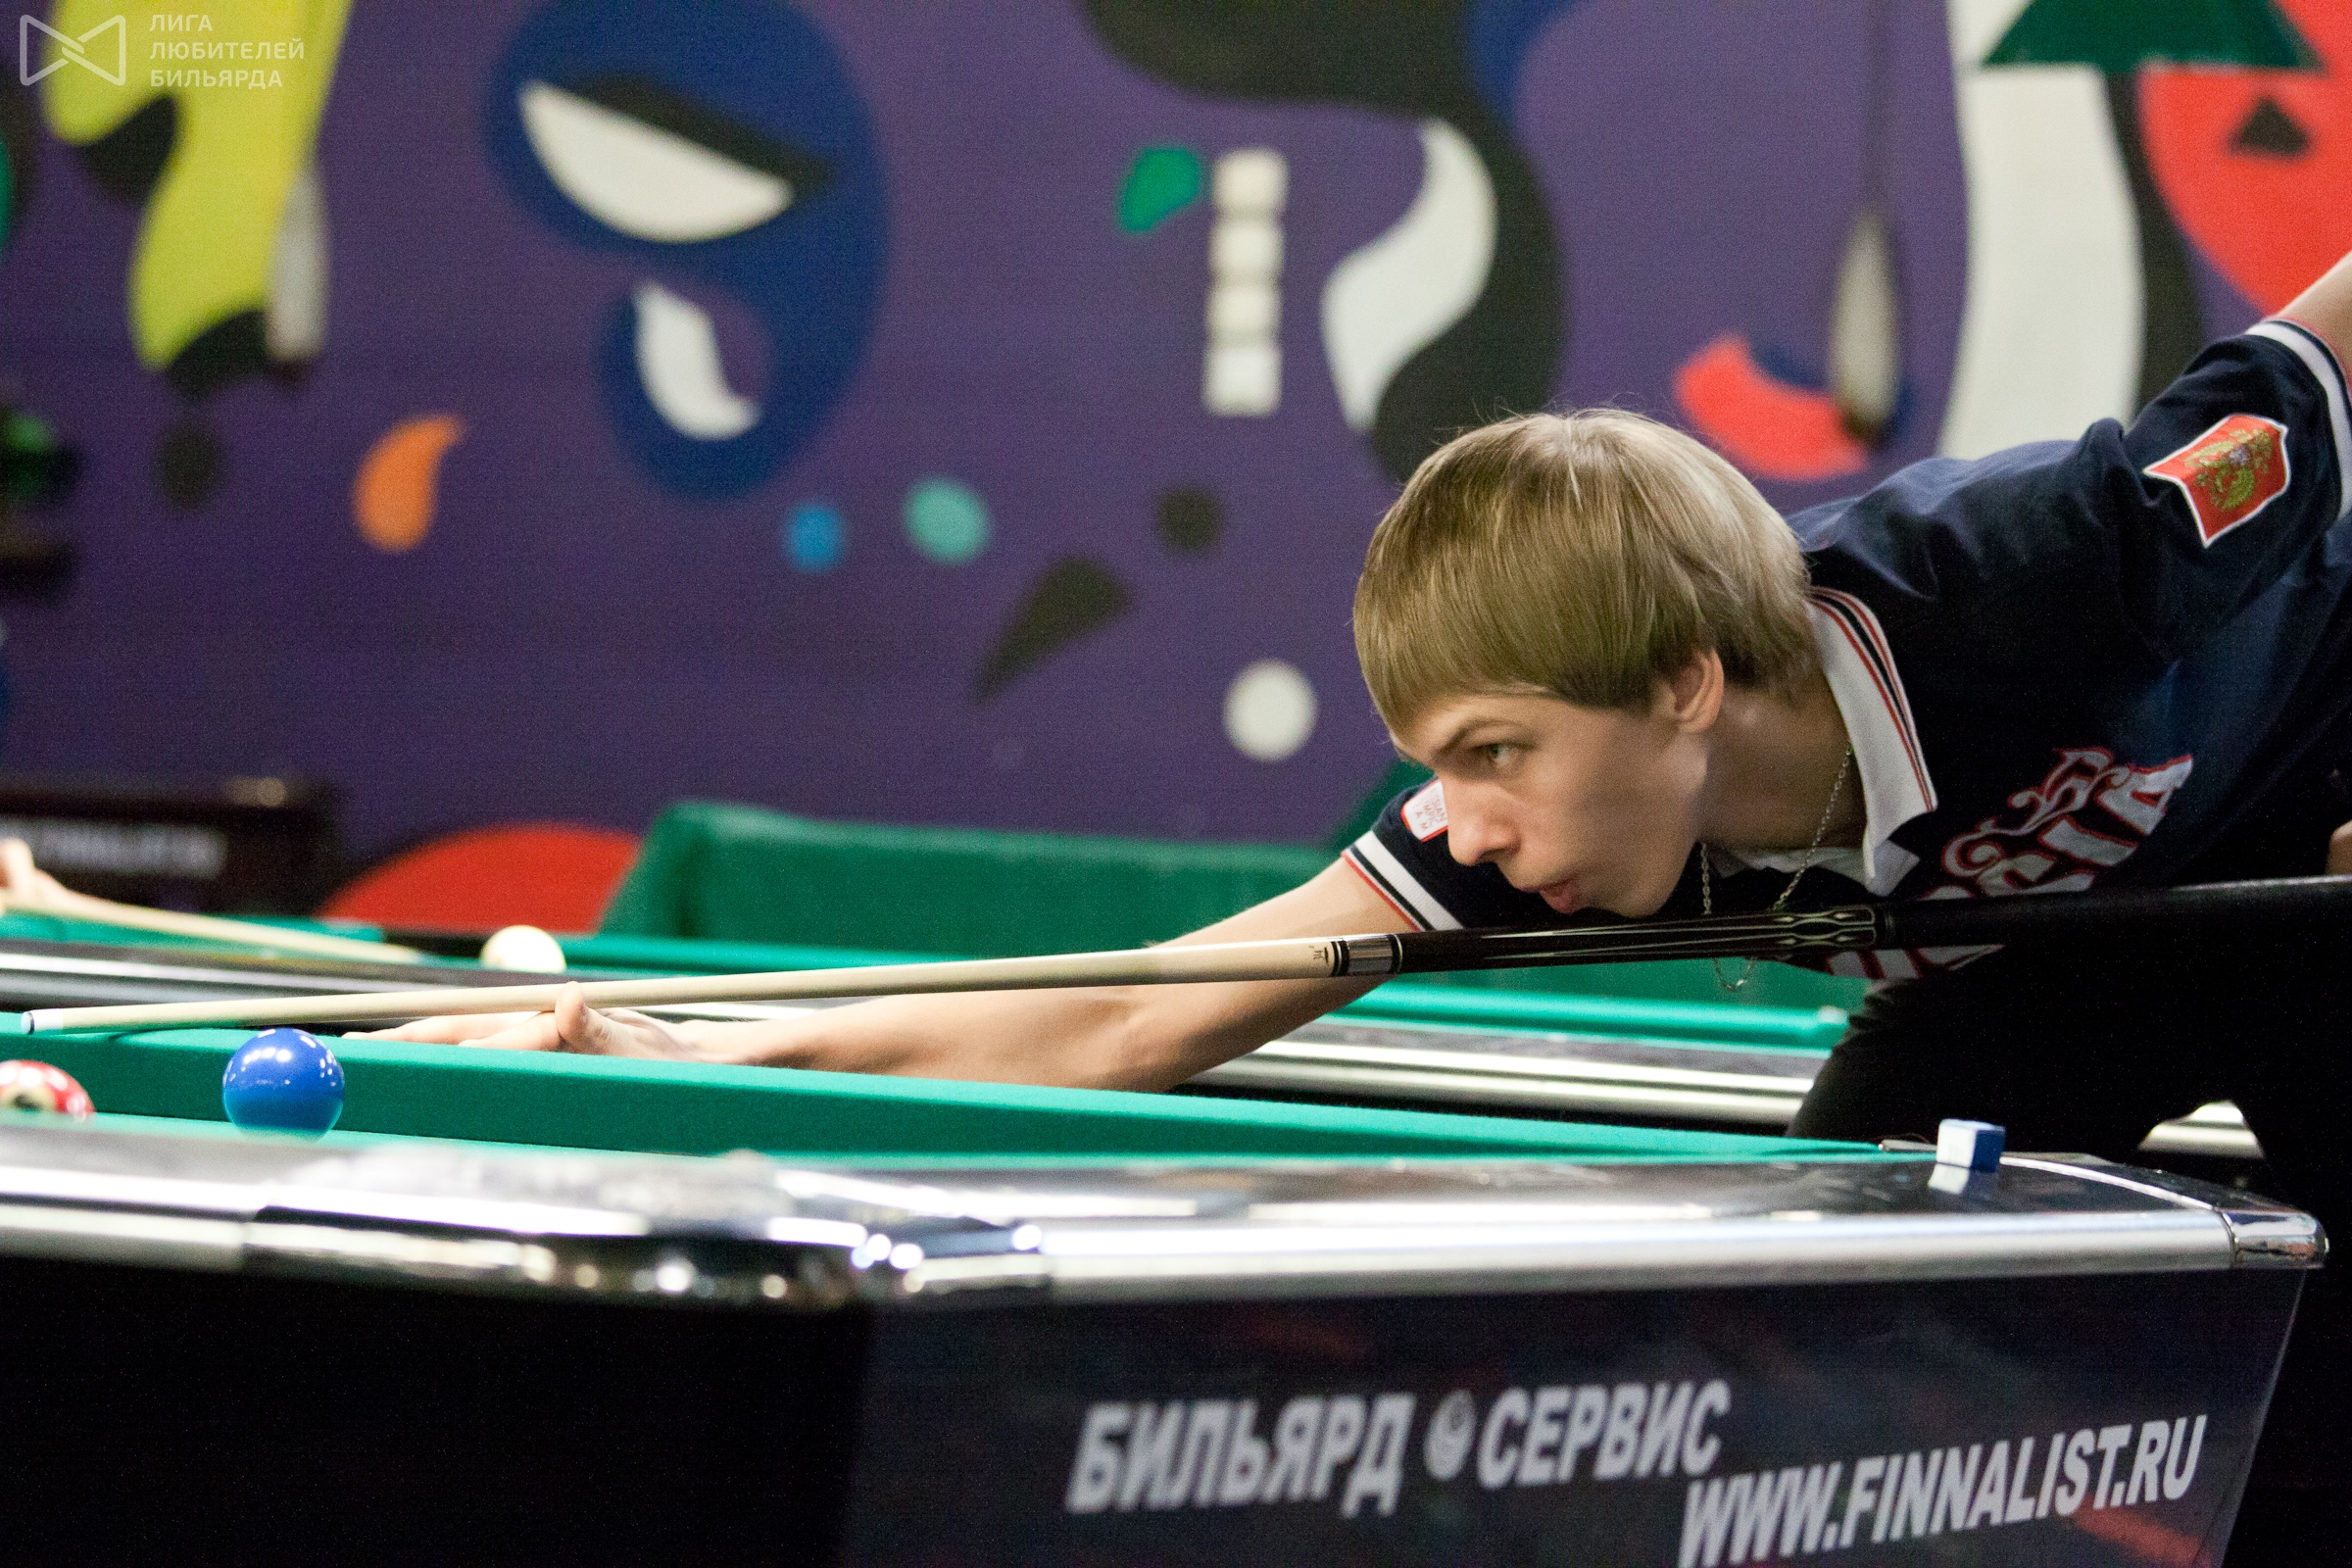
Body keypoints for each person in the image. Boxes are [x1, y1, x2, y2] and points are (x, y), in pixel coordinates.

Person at [383, 251, 2352, 1554]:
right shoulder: (1537, 830)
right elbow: (1130, 1008)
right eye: (1442, 758)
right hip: (2042, 977)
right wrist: (691, 1054)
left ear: (1685, 683)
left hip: (2312, 868)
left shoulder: (2059, 561)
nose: (1462, 816)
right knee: (1821, 1326)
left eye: (1496, 747)